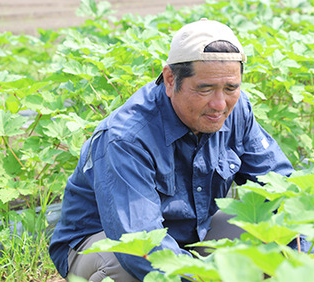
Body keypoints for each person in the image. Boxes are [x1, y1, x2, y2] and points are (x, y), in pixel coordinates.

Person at [49, 18, 294, 281]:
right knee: (127, 268)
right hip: (101, 241)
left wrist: (298, 256)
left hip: (190, 234)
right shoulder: (127, 138)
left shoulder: (237, 110)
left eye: (231, 88)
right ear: (169, 79)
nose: (220, 104)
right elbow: (139, 242)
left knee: (273, 235)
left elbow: (281, 185)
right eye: (205, 89)